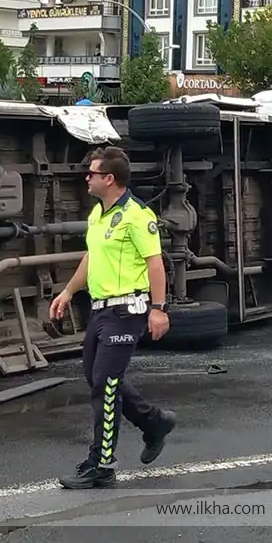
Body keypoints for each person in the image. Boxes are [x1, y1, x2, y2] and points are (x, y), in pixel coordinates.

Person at [51, 147, 176, 489]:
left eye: (91, 173)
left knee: (105, 385)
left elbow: (155, 263)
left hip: (127, 311)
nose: (86, 178)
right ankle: (154, 423)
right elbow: (92, 258)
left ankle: (101, 464)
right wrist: (67, 292)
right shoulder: (98, 214)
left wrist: (159, 309)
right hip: (100, 309)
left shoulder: (137, 215)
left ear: (109, 179)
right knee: (99, 379)